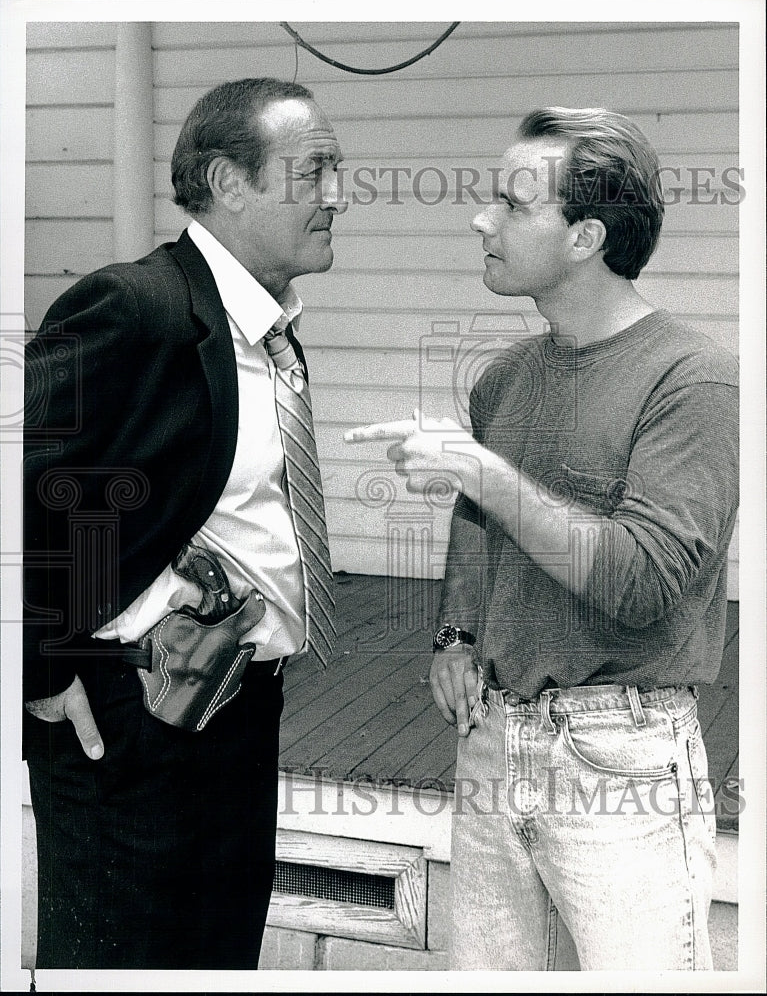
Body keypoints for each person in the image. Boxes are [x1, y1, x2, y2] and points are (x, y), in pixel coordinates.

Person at [346, 107, 738, 970]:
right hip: (493, 741)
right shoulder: (504, 379)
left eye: (511, 203)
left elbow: (640, 584)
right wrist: (453, 636)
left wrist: (480, 472)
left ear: (584, 236)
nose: (480, 218)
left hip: (619, 761)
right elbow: (479, 524)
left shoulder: (693, 378)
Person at [23, 77, 346, 970]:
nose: (336, 195)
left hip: (239, 704)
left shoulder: (269, 331)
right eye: (312, 170)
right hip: (127, 720)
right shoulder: (135, 308)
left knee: (215, 960)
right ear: (227, 181)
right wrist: (45, 674)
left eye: (337, 171)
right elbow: (25, 486)